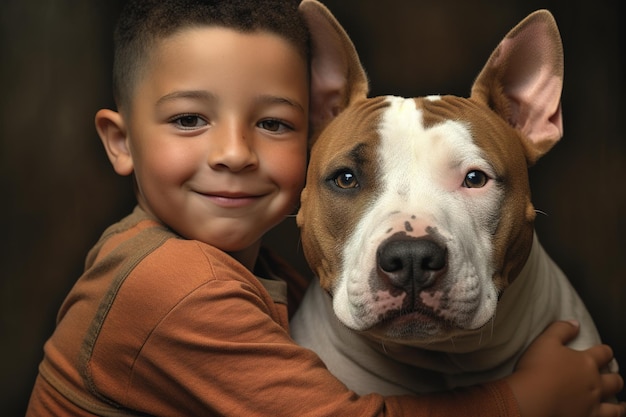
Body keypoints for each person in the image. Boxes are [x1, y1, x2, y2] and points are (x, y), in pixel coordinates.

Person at [26, 0, 625, 416]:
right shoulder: (174, 288)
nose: (234, 153)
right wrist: (527, 403)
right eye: (189, 119)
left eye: (473, 178)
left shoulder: (258, 269)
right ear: (120, 140)